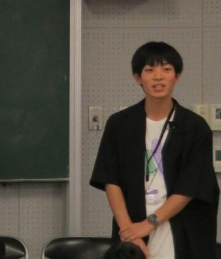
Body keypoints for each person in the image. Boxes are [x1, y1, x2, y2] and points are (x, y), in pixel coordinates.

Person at [90, 41, 219, 259]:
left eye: (166, 69)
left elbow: (191, 185)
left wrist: (149, 223)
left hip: (181, 227)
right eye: (149, 70)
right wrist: (129, 232)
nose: (158, 77)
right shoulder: (120, 124)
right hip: (132, 228)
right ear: (137, 77)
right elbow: (111, 180)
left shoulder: (194, 127)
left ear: (177, 76)